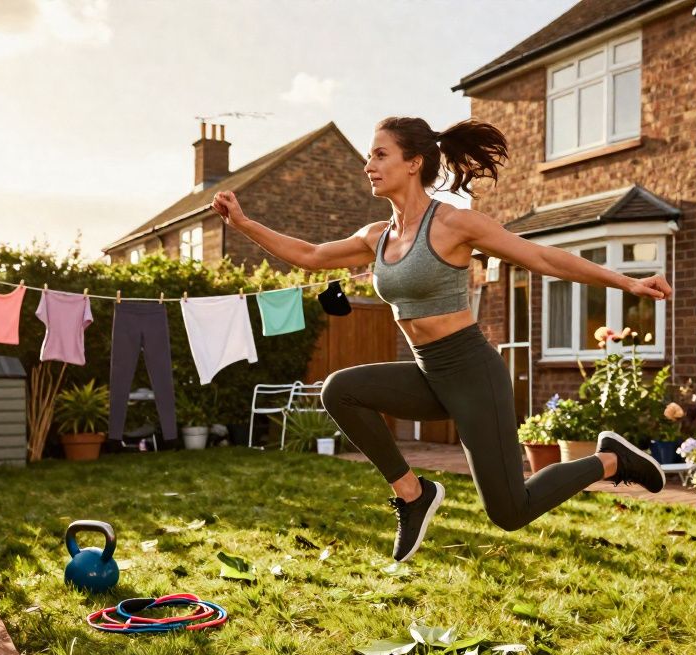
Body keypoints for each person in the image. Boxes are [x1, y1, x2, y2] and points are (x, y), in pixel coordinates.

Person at [211, 116, 672, 562]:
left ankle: (609, 460)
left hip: (473, 374)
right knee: (340, 391)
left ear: (413, 163)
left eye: (379, 154)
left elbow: (541, 258)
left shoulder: (454, 224)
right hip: (430, 373)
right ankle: (412, 494)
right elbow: (310, 256)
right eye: (368, 156)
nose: (368, 164)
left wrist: (627, 283)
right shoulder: (378, 236)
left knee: (510, 511)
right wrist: (245, 224)